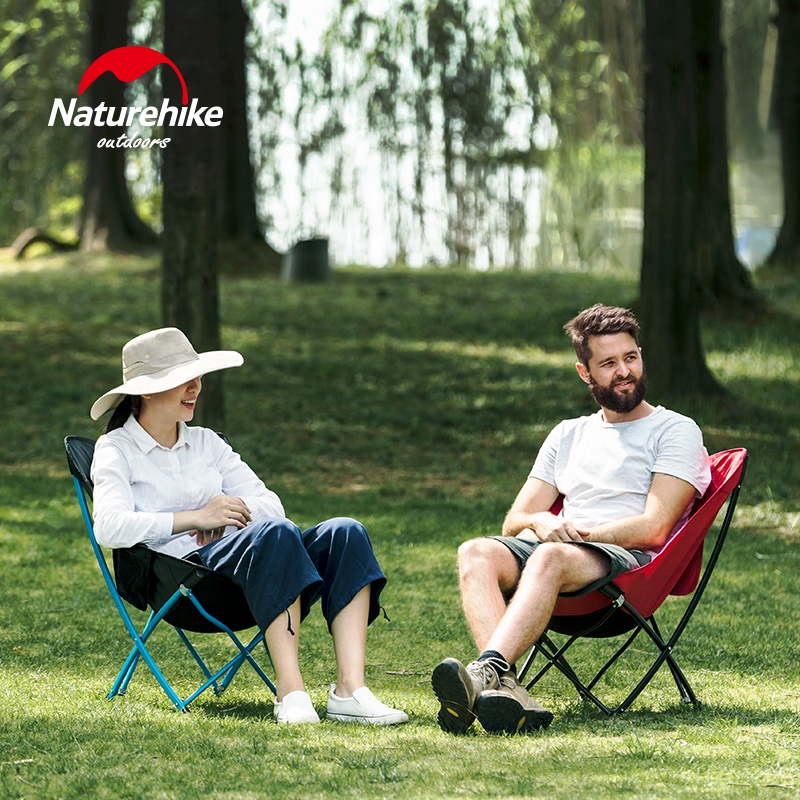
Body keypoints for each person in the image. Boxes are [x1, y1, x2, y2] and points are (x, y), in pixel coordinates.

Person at [89, 327, 408, 726]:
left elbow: (272, 505)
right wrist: (196, 517)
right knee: (275, 535)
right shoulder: (116, 448)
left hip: (255, 569)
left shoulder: (207, 443)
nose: (195, 387)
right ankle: (290, 692)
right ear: (147, 391)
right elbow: (110, 527)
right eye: (182, 380)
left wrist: (226, 512)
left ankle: (350, 691)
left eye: (197, 377)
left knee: (345, 532)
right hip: (184, 583)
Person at [431, 304, 711, 735]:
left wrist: (573, 537)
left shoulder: (675, 430)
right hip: (558, 559)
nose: (624, 371)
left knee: (549, 557)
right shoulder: (568, 433)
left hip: (624, 569)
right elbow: (515, 520)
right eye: (609, 363)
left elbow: (655, 527)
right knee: (476, 552)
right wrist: (542, 523)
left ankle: (484, 672)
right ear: (585, 372)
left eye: (631, 357)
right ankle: (504, 690)